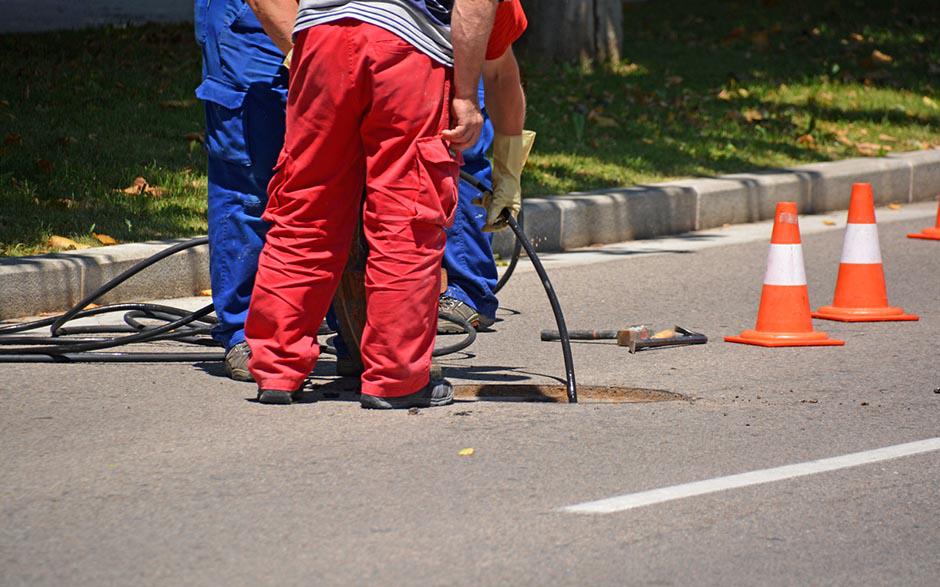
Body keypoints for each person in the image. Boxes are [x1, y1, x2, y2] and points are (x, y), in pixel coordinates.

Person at [243, 0, 500, 408]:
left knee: (305, 207)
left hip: (319, 38)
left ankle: (277, 368)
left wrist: (307, 47)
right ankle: (396, 378)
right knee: (406, 215)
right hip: (407, 50)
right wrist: (466, 96)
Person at [194, 0, 288, 380]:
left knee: (339, 180)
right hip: (251, 24)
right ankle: (246, 331)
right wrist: (302, 55)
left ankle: (350, 330)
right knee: (248, 184)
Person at [437, 0, 532, 334]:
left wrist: (508, 171)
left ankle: (468, 293)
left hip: (452, 52)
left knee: (459, 151)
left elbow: (500, 72)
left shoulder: (488, 7)